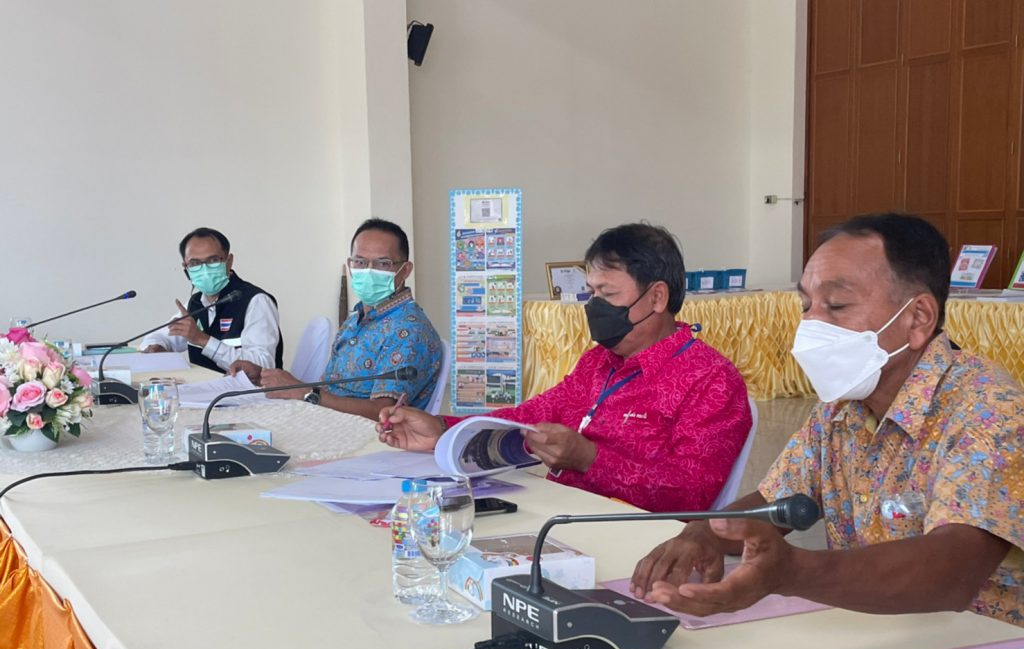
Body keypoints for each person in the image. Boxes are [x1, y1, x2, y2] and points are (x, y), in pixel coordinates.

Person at [631, 213, 1024, 626]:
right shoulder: (841, 406)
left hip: (986, 647)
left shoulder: (990, 411)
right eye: (806, 305)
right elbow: (776, 501)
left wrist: (793, 572)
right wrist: (703, 534)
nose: (812, 324)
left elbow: (953, 570)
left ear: (918, 318)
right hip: (874, 631)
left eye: (836, 305)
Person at [378, 222, 752, 513]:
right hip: (562, 515)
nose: (594, 306)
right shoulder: (599, 362)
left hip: (639, 539)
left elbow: (691, 494)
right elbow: (529, 416)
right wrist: (443, 429)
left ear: (656, 297)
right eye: (592, 292)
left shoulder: (711, 380)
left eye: (608, 293)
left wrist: (590, 460)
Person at [231, 218, 442, 421]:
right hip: (325, 422)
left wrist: (304, 392)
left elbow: (383, 412)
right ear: (350, 265)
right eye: (360, 262)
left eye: (383, 264)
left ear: (405, 270)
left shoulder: (408, 330)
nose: (368, 271)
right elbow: (331, 390)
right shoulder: (357, 318)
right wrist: (264, 377)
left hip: (368, 438)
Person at [142, 227, 283, 372]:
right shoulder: (195, 304)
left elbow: (263, 365)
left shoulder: (256, 301)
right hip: (205, 385)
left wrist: (203, 340)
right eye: (195, 263)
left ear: (229, 261)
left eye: (213, 260)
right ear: (186, 268)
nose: (205, 269)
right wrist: (157, 347)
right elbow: (158, 337)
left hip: (247, 387)